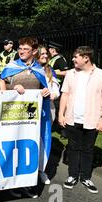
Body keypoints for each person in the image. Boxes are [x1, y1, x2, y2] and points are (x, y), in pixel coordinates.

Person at [1, 37, 51, 199]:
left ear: (34, 51)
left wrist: (46, 91)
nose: (21, 51)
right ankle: (10, 182)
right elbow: (1, 84)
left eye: (25, 49)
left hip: (32, 116)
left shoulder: (40, 69)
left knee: (28, 148)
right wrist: (12, 86)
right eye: (20, 48)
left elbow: (48, 87)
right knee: (12, 146)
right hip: (12, 113)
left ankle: (26, 183)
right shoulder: (12, 66)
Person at [59, 46, 102, 194]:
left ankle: (86, 177)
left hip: (92, 120)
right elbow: (65, 94)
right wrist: (61, 114)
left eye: (76, 57)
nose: (73, 59)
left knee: (88, 149)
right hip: (72, 118)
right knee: (73, 147)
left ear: (86, 58)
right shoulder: (70, 74)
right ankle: (72, 176)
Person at [37, 45, 61, 184]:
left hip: (48, 108)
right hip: (31, 110)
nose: (46, 56)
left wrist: (53, 95)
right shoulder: (28, 70)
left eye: (47, 54)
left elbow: (56, 89)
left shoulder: (50, 71)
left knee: (45, 138)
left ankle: (42, 170)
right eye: (43, 54)